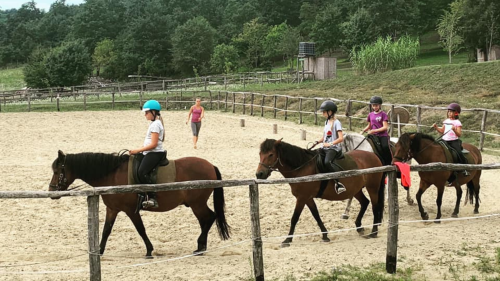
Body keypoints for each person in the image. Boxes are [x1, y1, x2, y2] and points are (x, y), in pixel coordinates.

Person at [129, 100, 166, 208]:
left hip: (154, 153)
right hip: (149, 152)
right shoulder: (154, 123)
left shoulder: (156, 125)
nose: (145, 115)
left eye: (147, 112)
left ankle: (152, 197)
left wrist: (138, 150)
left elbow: (153, 144)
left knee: (142, 172)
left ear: (153, 112)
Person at [314, 100, 346, 194]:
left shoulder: (337, 123)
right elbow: (325, 137)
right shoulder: (327, 122)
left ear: (330, 112)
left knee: (327, 162)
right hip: (324, 147)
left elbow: (341, 138)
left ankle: (338, 183)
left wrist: (330, 144)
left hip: (333, 148)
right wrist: (318, 141)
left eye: (324, 112)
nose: (323, 113)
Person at [432, 102, 469, 181]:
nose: (449, 113)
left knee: (459, 153)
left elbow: (459, 134)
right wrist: (436, 127)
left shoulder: (457, 123)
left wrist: (454, 130)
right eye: (448, 111)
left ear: (456, 113)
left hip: (453, 141)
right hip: (444, 140)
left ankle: (464, 168)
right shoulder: (446, 121)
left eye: (451, 112)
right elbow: (442, 131)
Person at [360, 96, 392, 166]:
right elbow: (369, 126)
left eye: (376, 105)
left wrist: (374, 131)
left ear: (380, 105)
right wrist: (362, 131)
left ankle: (389, 162)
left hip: (382, 135)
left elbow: (385, 127)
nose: (375, 107)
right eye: (373, 106)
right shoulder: (370, 115)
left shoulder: (383, 114)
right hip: (373, 135)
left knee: (385, 147)